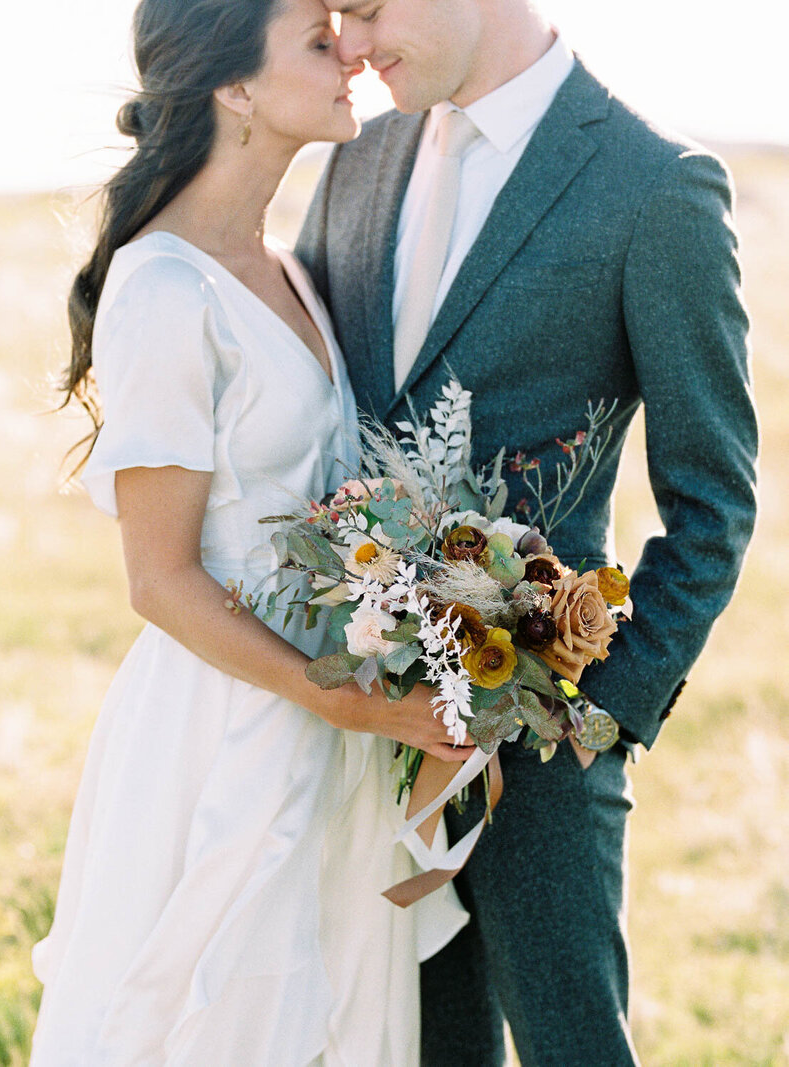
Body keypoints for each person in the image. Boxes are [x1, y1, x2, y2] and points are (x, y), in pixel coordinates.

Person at [295, 0, 759, 1063]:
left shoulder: (652, 188)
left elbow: (712, 499)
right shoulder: (360, 155)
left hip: (536, 757)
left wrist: (587, 715)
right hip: (358, 735)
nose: (350, 46)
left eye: (363, 9)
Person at [30, 0, 475, 1063]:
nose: (352, 59)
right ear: (233, 87)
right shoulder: (163, 288)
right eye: (319, 44)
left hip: (332, 714)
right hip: (223, 719)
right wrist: (338, 695)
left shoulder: (285, 270)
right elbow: (161, 578)